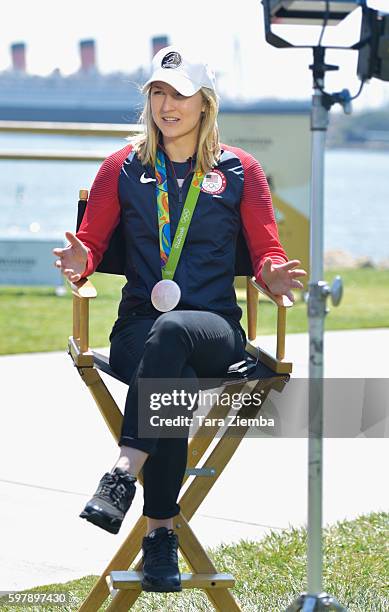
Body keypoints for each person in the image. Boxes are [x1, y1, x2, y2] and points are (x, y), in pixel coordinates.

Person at [53, 45, 306, 593]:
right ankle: (161, 539)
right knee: (174, 381)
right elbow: (91, 245)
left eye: (180, 93)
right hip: (137, 330)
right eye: (158, 92)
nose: (167, 104)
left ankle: (122, 473)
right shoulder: (122, 166)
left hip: (214, 330)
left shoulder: (239, 169)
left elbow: (266, 251)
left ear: (204, 103)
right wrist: (81, 262)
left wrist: (273, 275)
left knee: (174, 337)